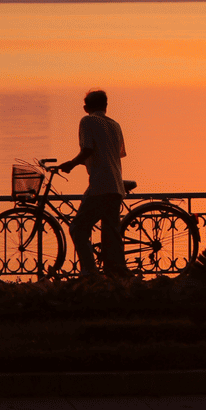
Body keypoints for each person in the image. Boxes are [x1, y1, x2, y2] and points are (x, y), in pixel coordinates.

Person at [56, 89, 129, 279]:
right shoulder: (115, 125)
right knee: (111, 234)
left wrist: (71, 164)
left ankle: (90, 272)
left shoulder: (87, 121)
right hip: (116, 186)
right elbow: (113, 153)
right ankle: (116, 272)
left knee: (78, 228)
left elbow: (88, 149)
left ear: (86, 107)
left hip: (100, 185)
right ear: (105, 105)